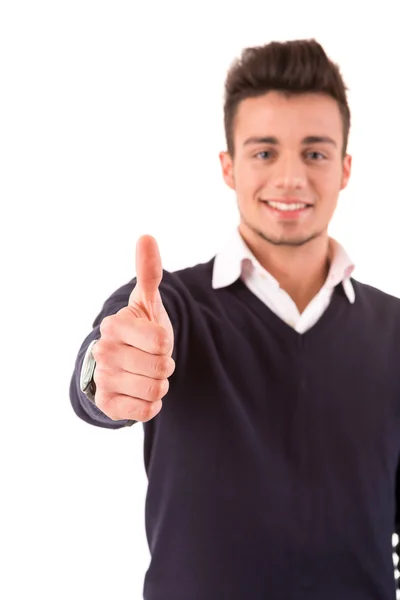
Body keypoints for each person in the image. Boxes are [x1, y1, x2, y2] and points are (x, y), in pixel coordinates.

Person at [70, 38, 400, 600]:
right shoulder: (171, 309)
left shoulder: (395, 331)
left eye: (315, 153)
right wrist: (107, 378)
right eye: (265, 152)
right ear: (229, 166)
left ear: (345, 168)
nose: (291, 178)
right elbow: (105, 365)